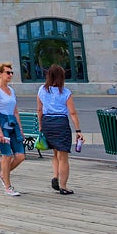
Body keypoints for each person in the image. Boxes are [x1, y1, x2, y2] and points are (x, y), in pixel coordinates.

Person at [36, 64, 84, 195]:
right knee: (63, 156)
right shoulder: (66, 92)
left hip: (47, 122)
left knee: (55, 153)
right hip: (60, 122)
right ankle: (63, 186)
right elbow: (72, 113)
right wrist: (78, 130)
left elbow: (39, 110)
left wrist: (40, 125)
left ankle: (55, 176)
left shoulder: (42, 90)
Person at [0, 63, 25, 196]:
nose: (10, 75)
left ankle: (2, 174)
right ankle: (8, 186)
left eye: (11, 72)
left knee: (20, 156)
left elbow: (15, 111)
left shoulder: (11, 90)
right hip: (1, 123)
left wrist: (20, 128)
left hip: (12, 124)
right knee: (7, 155)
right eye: (7, 72)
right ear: (0, 74)